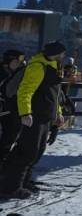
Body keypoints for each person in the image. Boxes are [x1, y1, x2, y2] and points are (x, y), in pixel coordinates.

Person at [0, 42, 66, 199]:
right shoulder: (38, 67)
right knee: (26, 151)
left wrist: (58, 113)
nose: (64, 56)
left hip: (45, 116)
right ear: (56, 53)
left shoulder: (53, 66)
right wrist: (25, 113)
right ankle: (10, 186)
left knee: (37, 150)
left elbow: (54, 94)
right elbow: (25, 91)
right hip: (34, 116)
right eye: (62, 53)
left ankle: (24, 181)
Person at [0, 50, 26, 166]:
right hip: (6, 112)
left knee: (9, 139)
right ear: (9, 61)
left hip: (9, 112)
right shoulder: (4, 73)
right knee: (7, 140)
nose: (21, 63)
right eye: (17, 61)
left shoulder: (14, 73)